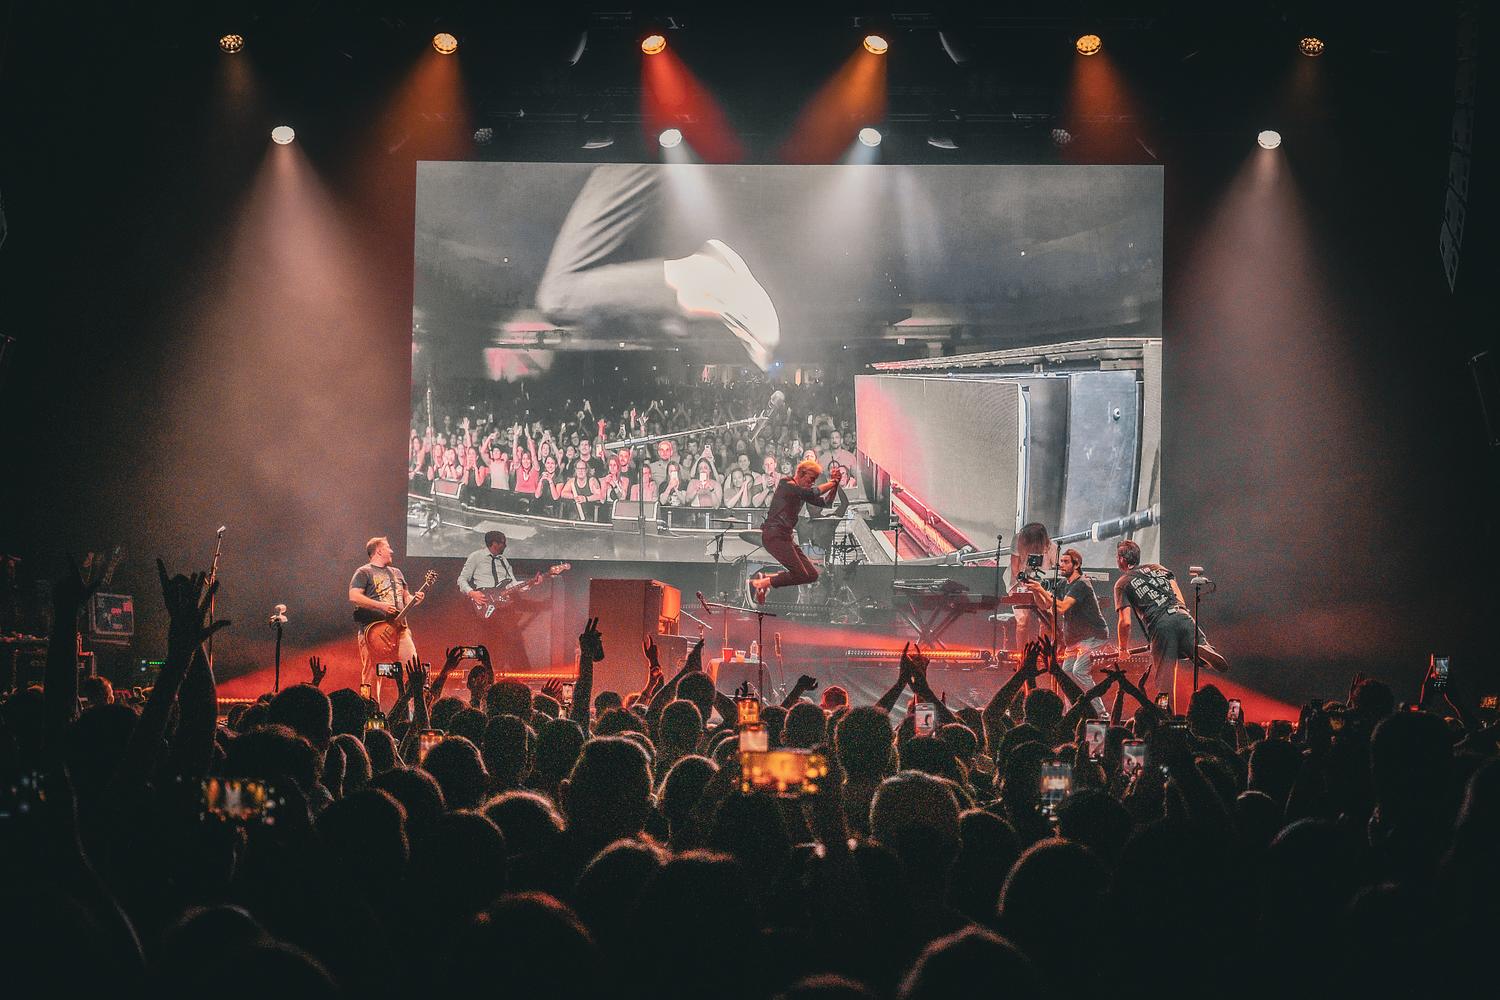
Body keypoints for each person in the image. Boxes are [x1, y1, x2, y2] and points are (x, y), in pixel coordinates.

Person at [1023, 548, 1110, 716]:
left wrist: (1041, 589)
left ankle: (1101, 713)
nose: (1061, 565)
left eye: (1065, 562)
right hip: (1074, 640)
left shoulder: (1082, 584)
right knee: (1066, 675)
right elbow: (1045, 605)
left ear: (1076, 565)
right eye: (1060, 562)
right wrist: (1035, 590)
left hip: (1093, 636)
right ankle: (1072, 713)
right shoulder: (1063, 584)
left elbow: (1062, 607)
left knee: (1079, 671)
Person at [750, 459, 844, 603]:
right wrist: (833, 482)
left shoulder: (801, 492)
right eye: (811, 479)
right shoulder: (787, 484)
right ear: (801, 474)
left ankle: (765, 581)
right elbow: (813, 493)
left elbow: (827, 503)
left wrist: (835, 484)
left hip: (785, 537)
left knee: (811, 575)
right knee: (800, 574)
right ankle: (763, 583)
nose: (812, 482)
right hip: (774, 535)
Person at [1113, 538, 1196, 700]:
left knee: (1165, 682)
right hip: (1183, 615)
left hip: (1161, 626)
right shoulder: (1158, 568)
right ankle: (1199, 647)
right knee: (1191, 646)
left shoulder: (1122, 583)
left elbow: (1125, 622)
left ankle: (1165, 713)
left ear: (1121, 559)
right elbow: (1176, 591)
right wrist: (1182, 611)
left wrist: (1123, 649)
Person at [349, 536, 423, 696]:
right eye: (388, 547)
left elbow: (406, 597)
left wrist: (414, 599)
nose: (392, 551)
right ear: (379, 551)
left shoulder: (397, 573)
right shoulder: (364, 572)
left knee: (413, 667)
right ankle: (369, 707)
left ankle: (415, 705)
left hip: (400, 630)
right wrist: (381, 605)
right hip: (373, 631)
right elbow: (354, 596)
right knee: (372, 673)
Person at [458, 531, 517, 613]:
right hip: (485, 602)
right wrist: (471, 593)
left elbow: (512, 583)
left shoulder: (503, 560)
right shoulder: (476, 556)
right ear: (494, 544)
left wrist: (528, 584)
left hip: (504, 603)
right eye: (503, 543)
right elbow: (462, 579)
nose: (505, 546)